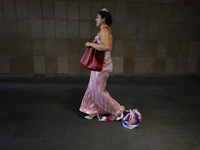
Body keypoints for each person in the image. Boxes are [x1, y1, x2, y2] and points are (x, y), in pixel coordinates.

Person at [79, 8, 124, 121]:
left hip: (102, 65)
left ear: (103, 19)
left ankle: (118, 111)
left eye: (98, 17)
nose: (96, 19)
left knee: (98, 91)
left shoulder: (104, 29)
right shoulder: (105, 29)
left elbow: (105, 47)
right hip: (99, 64)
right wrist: (104, 12)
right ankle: (92, 111)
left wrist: (90, 44)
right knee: (92, 88)